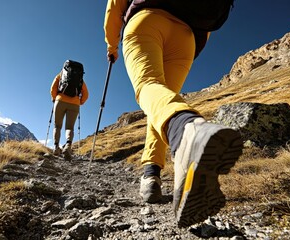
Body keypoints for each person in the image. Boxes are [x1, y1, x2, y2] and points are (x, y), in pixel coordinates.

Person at [103, 0, 243, 227]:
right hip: (186, 37)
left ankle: (187, 132)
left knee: (149, 86)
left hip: (146, 21)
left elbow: (114, 6)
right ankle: (151, 175)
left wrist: (111, 46)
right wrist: (191, 44)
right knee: (164, 104)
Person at [50, 61, 89, 161]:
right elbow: (86, 94)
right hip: (75, 104)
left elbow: (53, 88)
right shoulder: (80, 80)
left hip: (60, 100)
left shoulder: (61, 75)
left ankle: (56, 147)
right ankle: (68, 145)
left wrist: (55, 98)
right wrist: (80, 102)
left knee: (57, 125)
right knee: (70, 127)